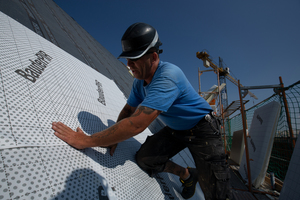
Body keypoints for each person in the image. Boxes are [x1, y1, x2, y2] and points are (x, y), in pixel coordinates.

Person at [52, 22, 232, 200]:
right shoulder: (140, 82)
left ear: (154, 57)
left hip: (203, 130)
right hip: (177, 129)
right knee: (146, 159)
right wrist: (113, 139)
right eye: (127, 59)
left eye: (135, 58)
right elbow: (128, 110)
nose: (129, 64)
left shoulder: (168, 76)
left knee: (218, 194)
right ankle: (187, 175)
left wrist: (87, 140)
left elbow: (137, 124)